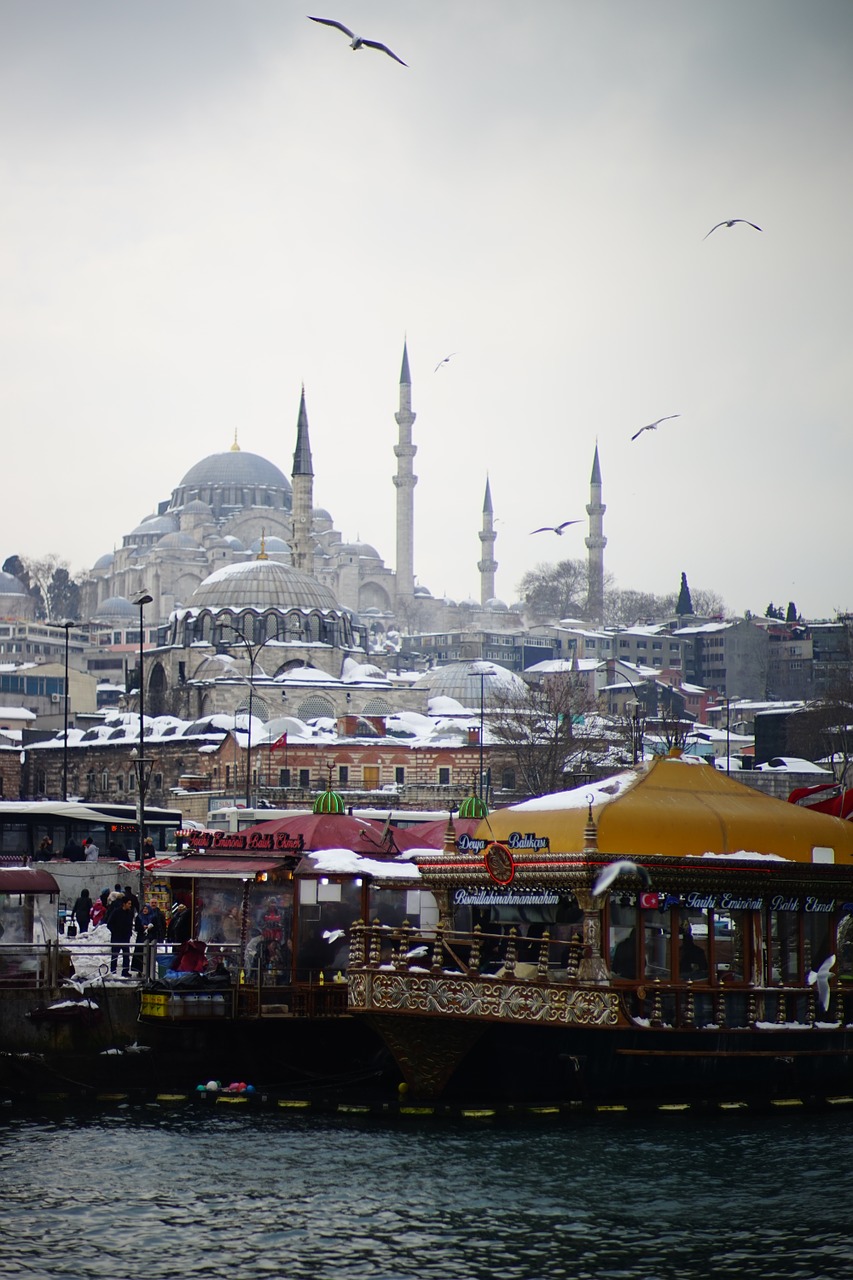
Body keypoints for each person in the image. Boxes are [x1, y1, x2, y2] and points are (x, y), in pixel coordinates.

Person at [106, 894, 134, 977]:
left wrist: (129, 933)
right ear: (124, 904)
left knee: (126, 956)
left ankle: (125, 971)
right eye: (128, 903)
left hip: (125, 938)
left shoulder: (130, 913)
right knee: (115, 955)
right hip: (116, 937)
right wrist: (115, 931)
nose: (130, 905)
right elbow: (109, 924)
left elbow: (130, 924)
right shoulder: (116, 912)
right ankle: (113, 972)